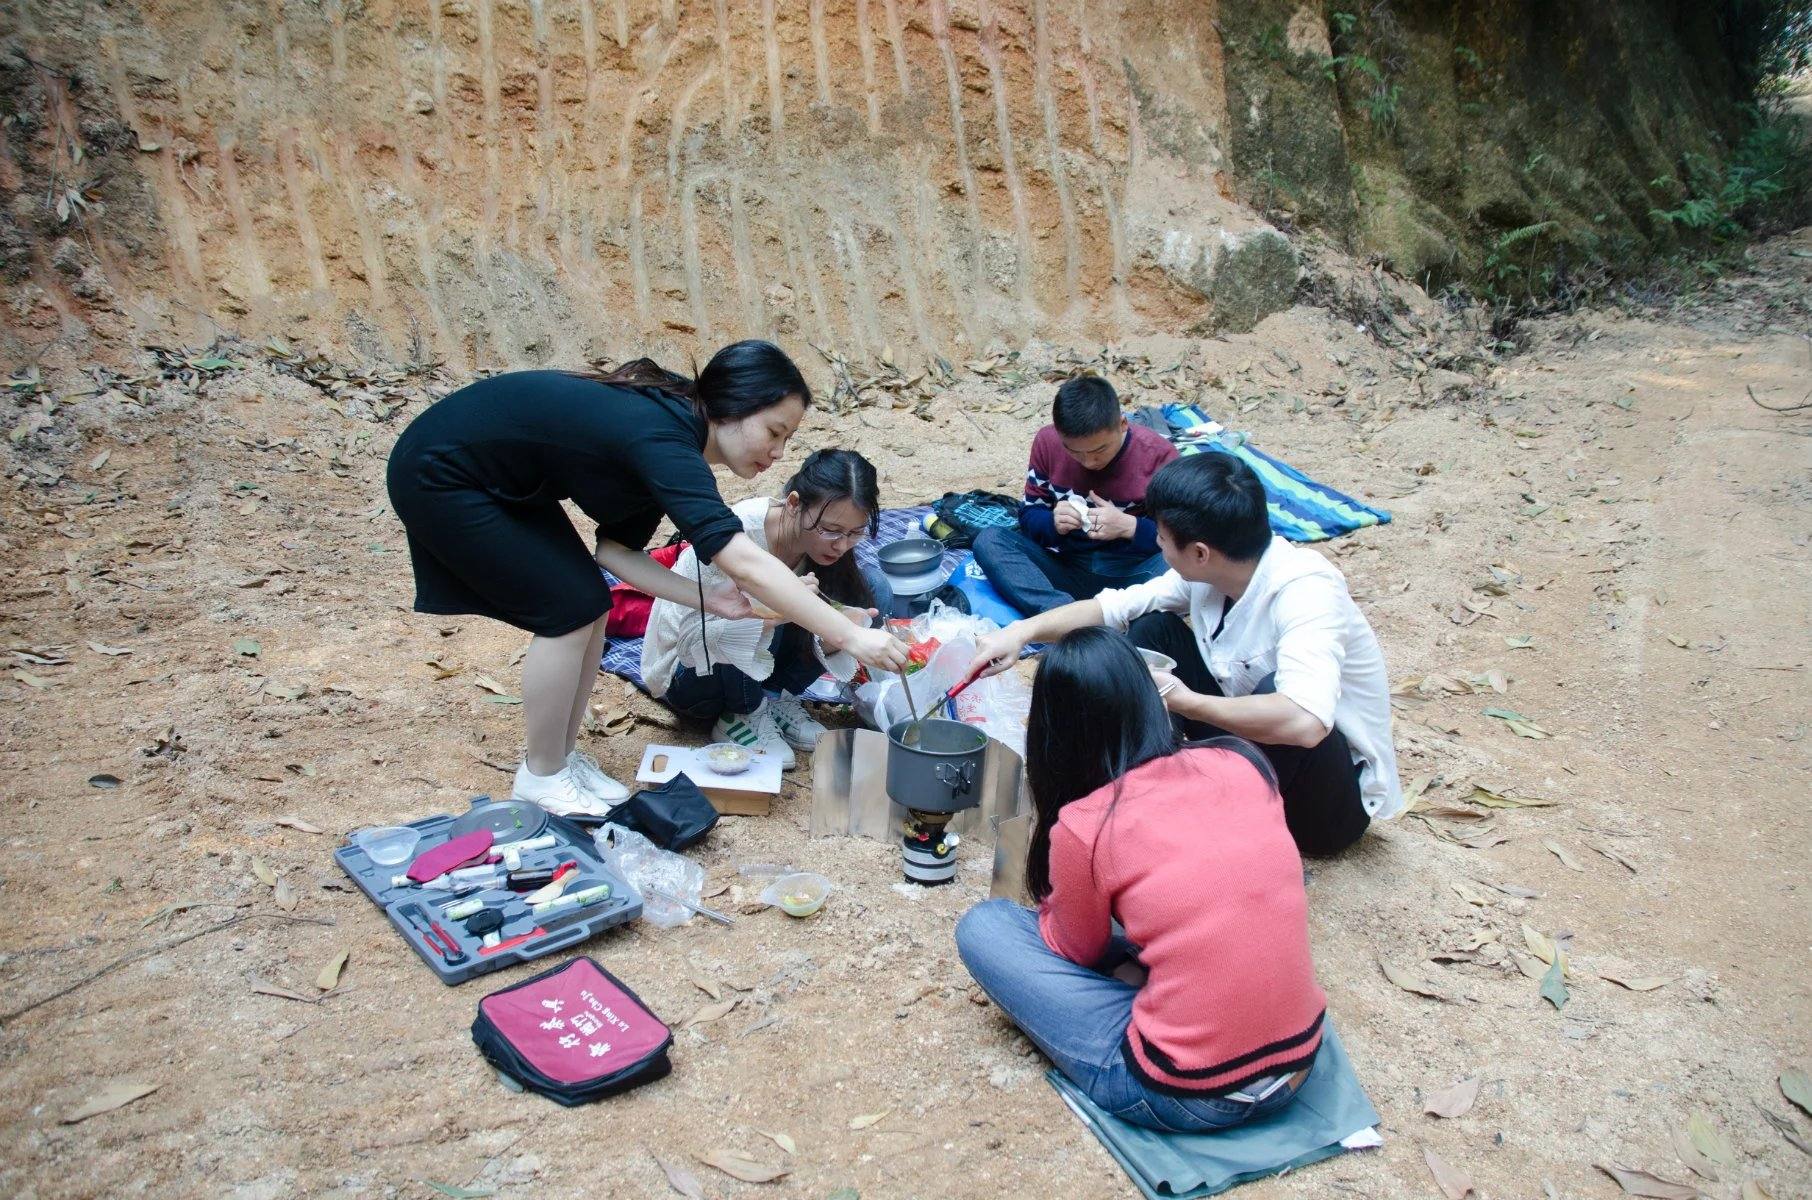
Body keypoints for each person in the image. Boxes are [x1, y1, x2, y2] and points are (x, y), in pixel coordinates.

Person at [386, 341, 909, 817]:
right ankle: (541, 773)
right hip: (443, 473)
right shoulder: (665, 439)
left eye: (786, 439)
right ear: (731, 406)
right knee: (566, 609)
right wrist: (851, 634)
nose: (777, 454)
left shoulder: (666, 444)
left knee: (588, 601)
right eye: (774, 432)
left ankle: (560, 761)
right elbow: (742, 558)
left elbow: (616, 553)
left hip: (501, 481)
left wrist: (712, 601)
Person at [956, 628, 1326, 1134]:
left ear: (1053, 730)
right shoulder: (1240, 760)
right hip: (1298, 1062)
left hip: (1183, 1093)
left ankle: (1161, 1011)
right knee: (1189, 911)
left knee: (987, 925)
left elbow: (1074, 951)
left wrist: (1065, 905)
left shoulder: (1088, 822)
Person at [968, 453, 1400, 855]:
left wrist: (1183, 700)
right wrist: (1021, 633)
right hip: (1252, 748)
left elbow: (1304, 724)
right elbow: (1114, 607)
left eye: (1161, 536)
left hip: (1324, 805)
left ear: (1199, 552)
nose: (1156, 544)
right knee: (1153, 629)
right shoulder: (1210, 573)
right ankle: (1151, 784)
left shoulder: (1306, 590)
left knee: (1280, 692)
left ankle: (1219, 822)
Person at [641, 449, 894, 767]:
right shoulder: (737, 535)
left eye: (855, 532)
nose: (841, 545)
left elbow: (826, 615)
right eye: (830, 530)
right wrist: (783, 609)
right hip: (688, 674)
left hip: (750, 663)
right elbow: (696, 639)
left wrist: (837, 628)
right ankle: (742, 715)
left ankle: (774, 698)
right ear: (793, 504)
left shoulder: (827, 547)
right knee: (769, 597)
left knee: (874, 590)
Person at [971, 375, 1177, 616]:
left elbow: (1182, 536)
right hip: (1070, 567)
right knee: (990, 541)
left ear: (1122, 424)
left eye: (1100, 449)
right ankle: (1063, 614)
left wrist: (1129, 527)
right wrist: (1052, 523)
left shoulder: (1158, 455)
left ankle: (1076, 617)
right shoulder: (1047, 443)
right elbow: (1029, 516)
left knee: (1188, 564)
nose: (1089, 462)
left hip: (1136, 574)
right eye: (1074, 451)